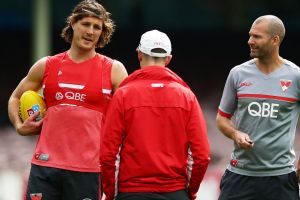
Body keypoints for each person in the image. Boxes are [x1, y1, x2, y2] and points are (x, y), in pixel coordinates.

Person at [7, 0, 128, 199]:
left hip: (88, 170)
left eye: (97, 27)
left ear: (102, 32)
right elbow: (16, 97)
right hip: (45, 166)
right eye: (85, 24)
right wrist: (19, 127)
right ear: (73, 23)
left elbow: (129, 113)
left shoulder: (114, 70)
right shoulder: (47, 65)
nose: (90, 31)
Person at [100, 29, 210, 200]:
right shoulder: (187, 97)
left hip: (131, 192)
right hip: (175, 192)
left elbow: (108, 154)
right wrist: (189, 192)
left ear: (139, 54)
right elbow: (201, 156)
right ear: (168, 59)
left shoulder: (123, 95)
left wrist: (111, 193)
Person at [216, 15, 300, 200]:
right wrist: (235, 133)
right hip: (239, 176)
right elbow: (222, 119)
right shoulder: (238, 74)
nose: (250, 41)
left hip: (280, 179)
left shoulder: (296, 76)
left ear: (275, 39)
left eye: (257, 37)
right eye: (250, 35)